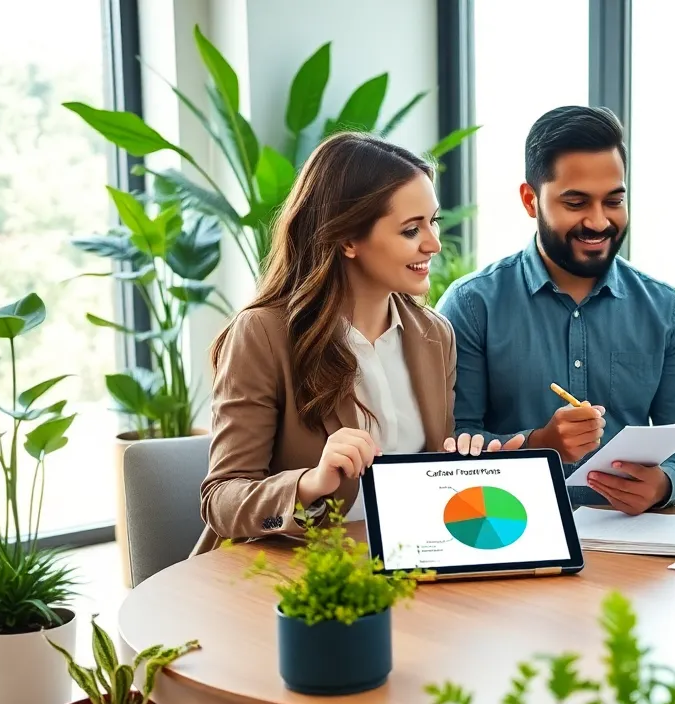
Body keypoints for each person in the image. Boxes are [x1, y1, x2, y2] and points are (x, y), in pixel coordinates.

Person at [196, 132, 521, 553]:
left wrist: (467, 467)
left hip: (407, 561)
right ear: (348, 240)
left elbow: (425, 482)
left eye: (432, 222)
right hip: (293, 570)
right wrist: (310, 483)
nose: (433, 244)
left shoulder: (434, 334)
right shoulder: (264, 333)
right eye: (410, 230)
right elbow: (221, 498)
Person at [437, 105, 675, 513]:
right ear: (531, 200)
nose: (599, 221)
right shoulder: (473, 306)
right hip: (508, 529)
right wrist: (540, 444)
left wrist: (663, 482)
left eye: (613, 201)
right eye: (576, 202)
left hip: (632, 543)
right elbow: (453, 441)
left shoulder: (666, 310)